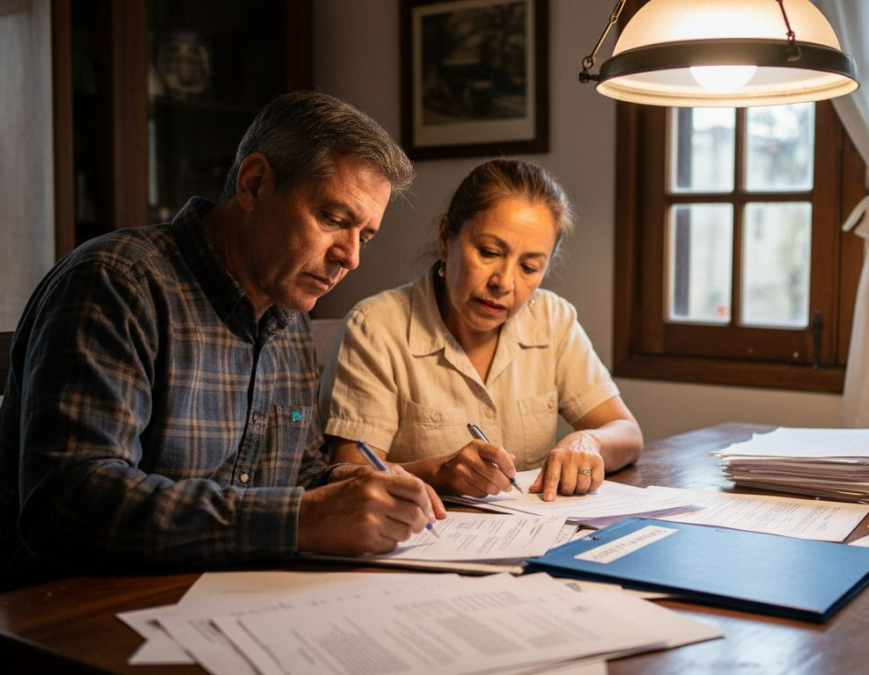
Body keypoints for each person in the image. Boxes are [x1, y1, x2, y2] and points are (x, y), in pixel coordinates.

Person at [0, 91, 445, 592]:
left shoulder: (288, 315)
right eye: (334, 219)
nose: (349, 257)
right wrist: (302, 518)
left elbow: (294, 474)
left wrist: (351, 487)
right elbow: (68, 501)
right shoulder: (118, 282)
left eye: (364, 236)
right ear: (254, 184)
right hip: (72, 616)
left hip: (228, 599)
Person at [319, 158, 643, 502]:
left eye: (529, 267)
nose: (504, 283)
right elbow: (349, 475)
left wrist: (588, 441)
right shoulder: (376, 327)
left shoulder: (552, 318)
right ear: (446, 238)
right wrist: (438, 473)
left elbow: (627, 432)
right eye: (489, 252)